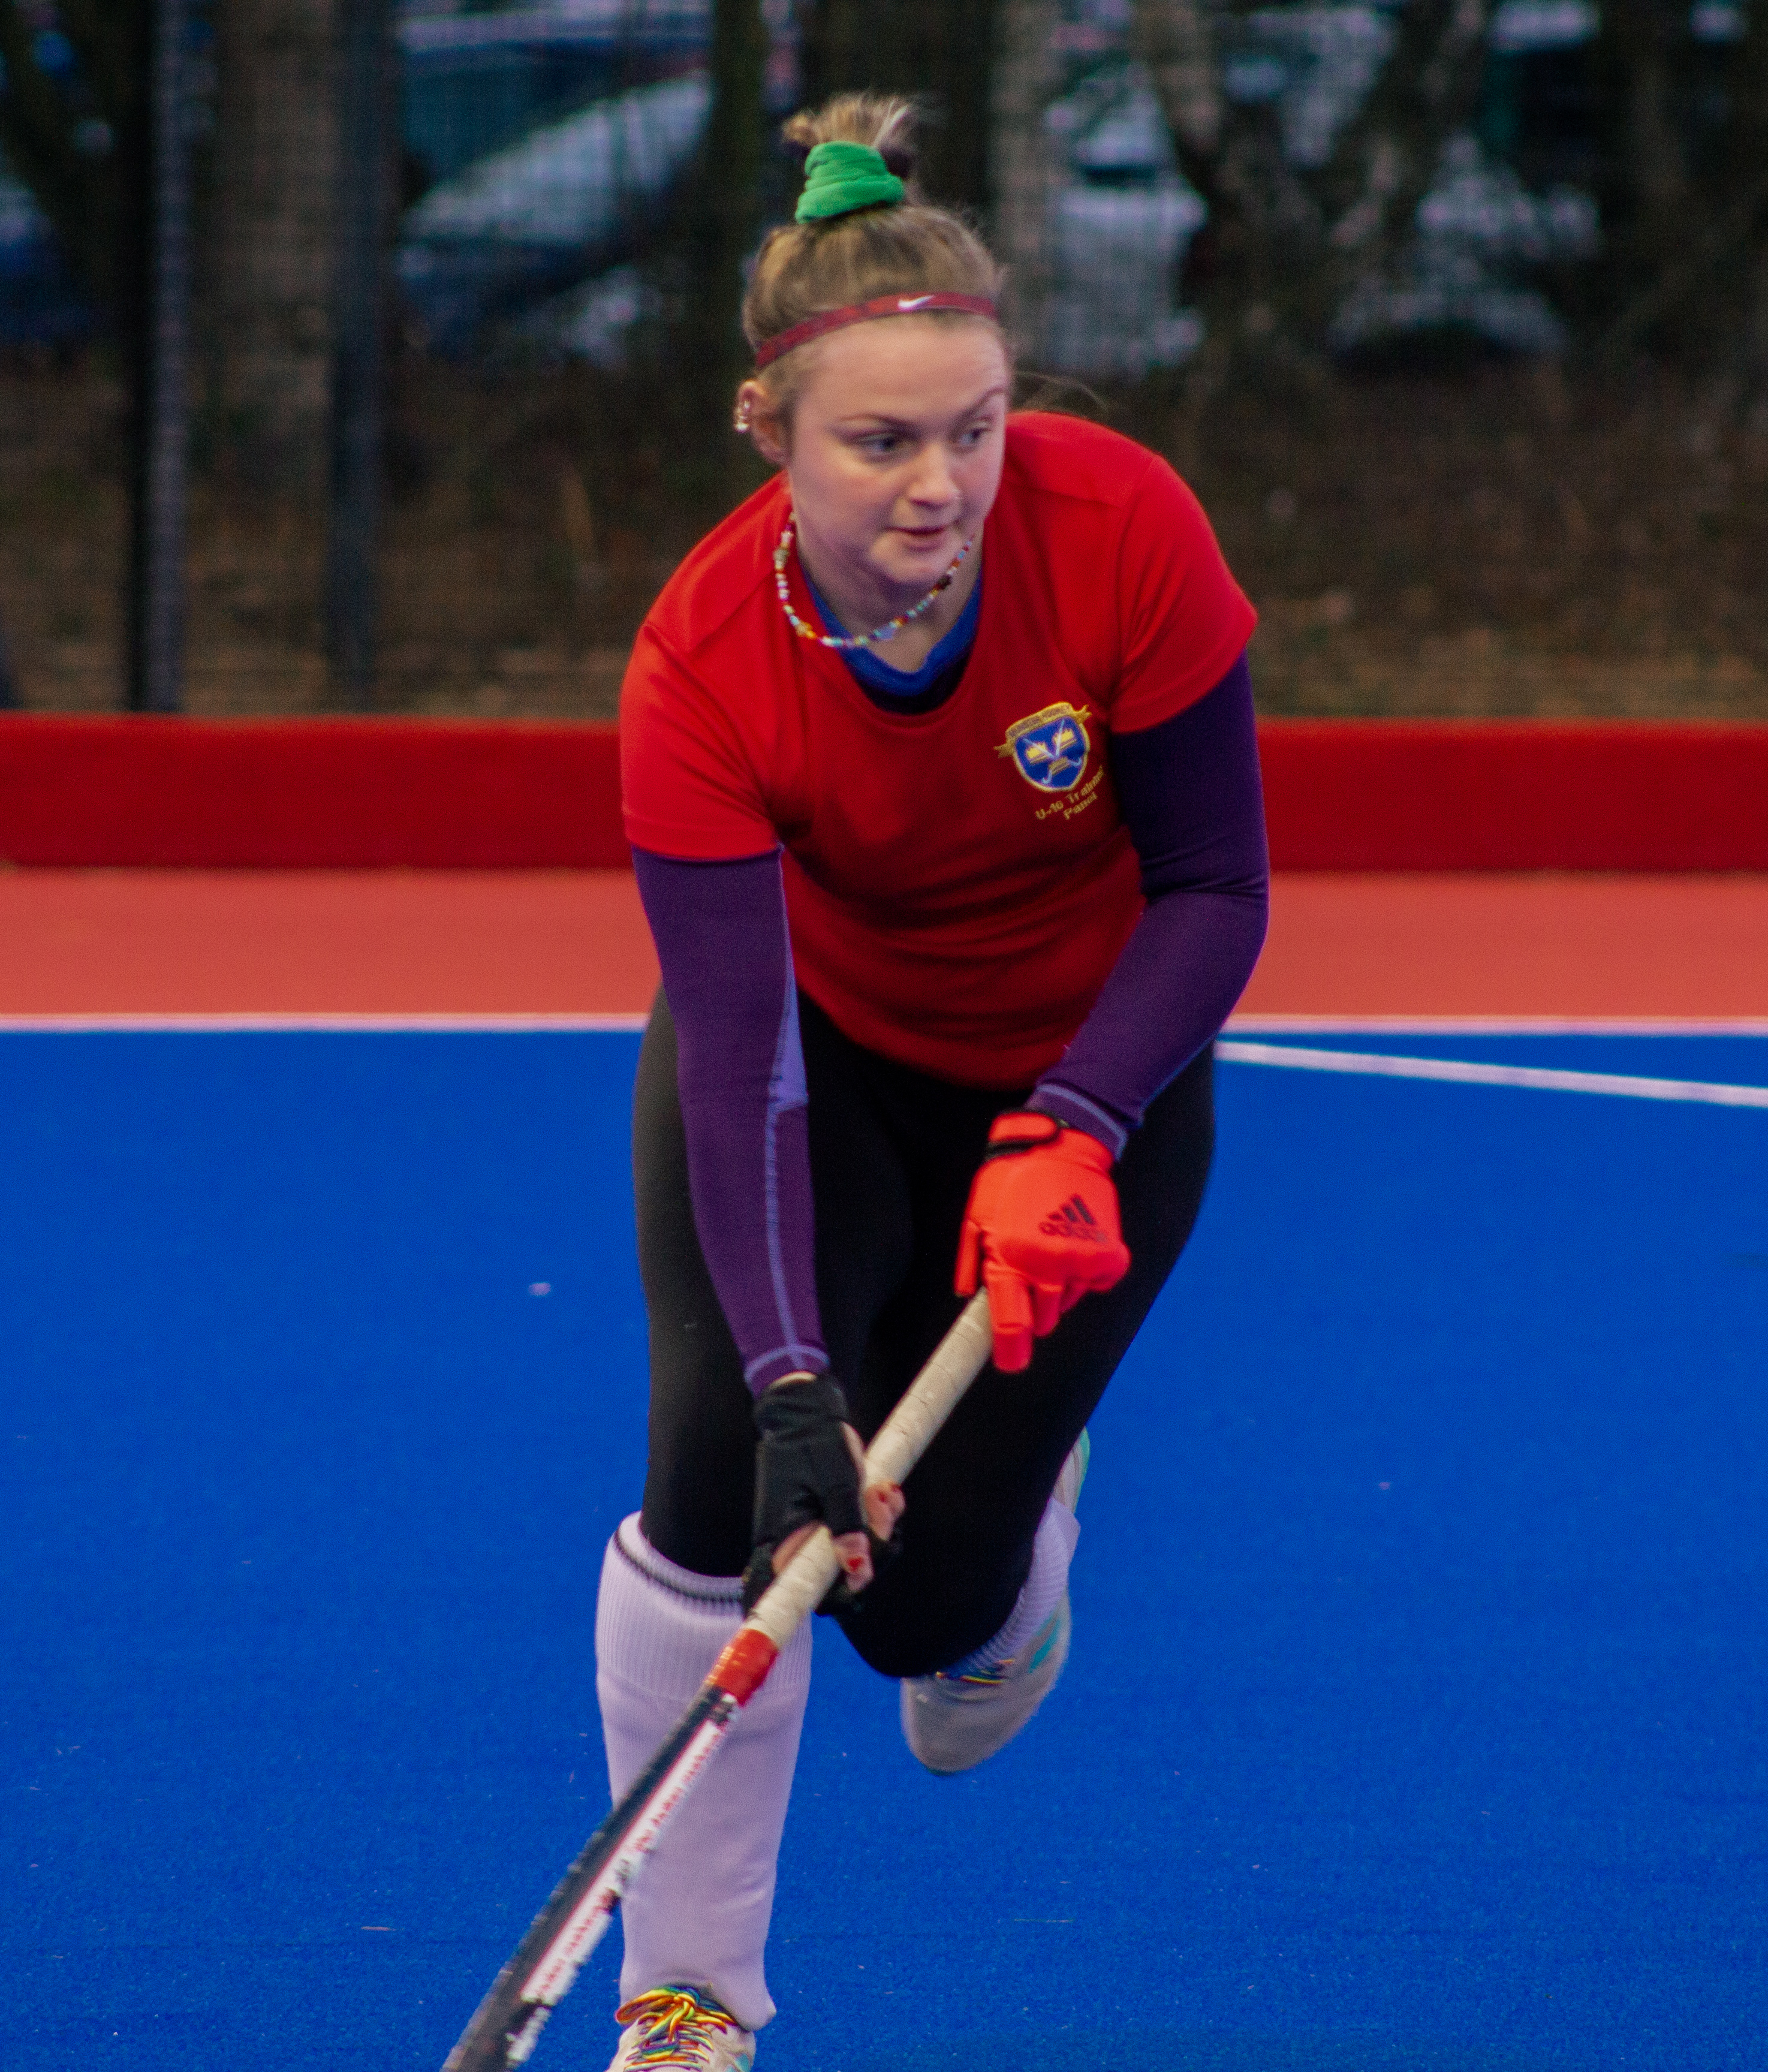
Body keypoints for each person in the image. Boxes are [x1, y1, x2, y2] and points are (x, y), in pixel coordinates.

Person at [594, 92, 1270, 2071]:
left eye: (972, 431)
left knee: (925, 1635)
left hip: (1101, 1075)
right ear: (772, 436)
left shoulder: (1123, 527)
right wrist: (798, 1379)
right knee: (725, 1481)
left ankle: (1024, 1538)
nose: (940, 486)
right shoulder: (702, 662)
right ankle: (688, 1992)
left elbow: (1217, 887)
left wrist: (1076, 1123)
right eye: (882, 442)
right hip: (817, 1064)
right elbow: (734, 1044)